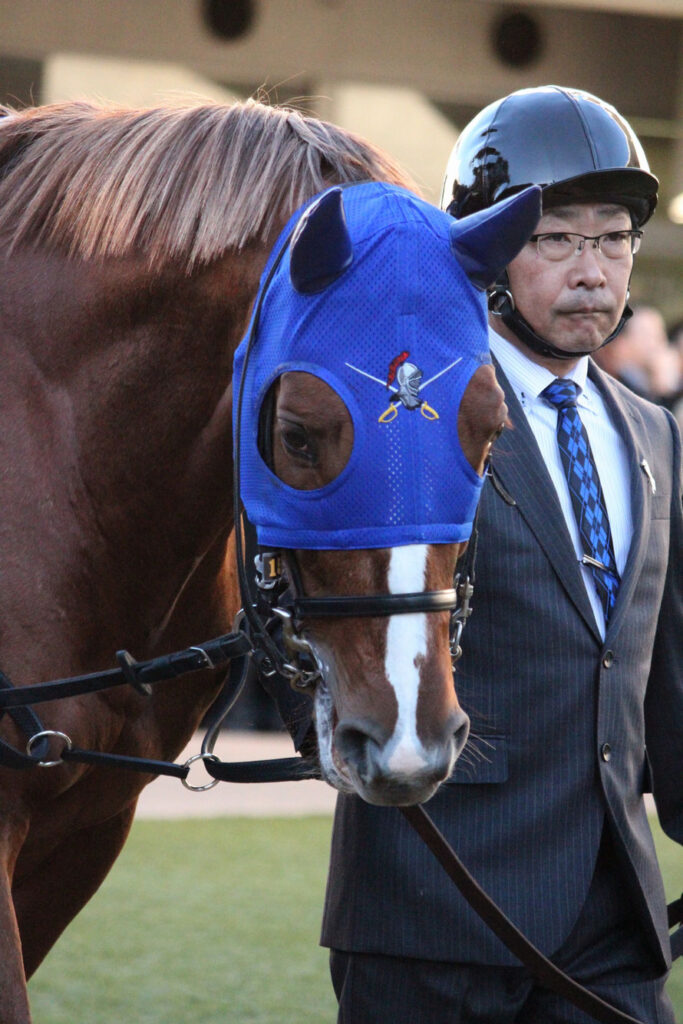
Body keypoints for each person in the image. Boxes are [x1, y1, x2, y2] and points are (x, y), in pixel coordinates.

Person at [300, 85, 682, 1023]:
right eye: (555, 239)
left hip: (613, 922)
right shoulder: (406, 411)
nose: (591, 270)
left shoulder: (658, 434)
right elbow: (319, 605)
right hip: (433, 909)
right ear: (484, 252)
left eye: (612, 238)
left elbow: (661, 670)